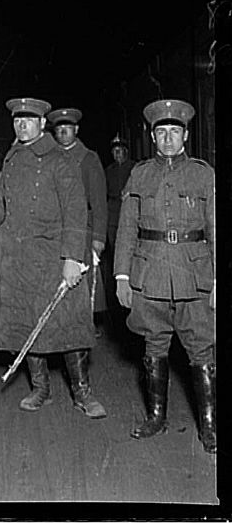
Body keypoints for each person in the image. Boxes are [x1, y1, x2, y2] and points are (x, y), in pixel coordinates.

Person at [0, 98, 106, 419]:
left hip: (52, 256)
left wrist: (72, 258)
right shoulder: (13, 160)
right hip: (18, 258)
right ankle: (40, 388)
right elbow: (1, 201)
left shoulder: (60, 161)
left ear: (43, 123)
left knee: (69, 324)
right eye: (18, 120)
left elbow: (74, 212)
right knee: (26, 322)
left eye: (29, 120)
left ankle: (82, 391)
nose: (22, 125)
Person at [114, 99, 215, 453]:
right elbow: (127, 229)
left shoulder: (203, 174)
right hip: (151, 273)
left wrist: (218, 281)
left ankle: (209, 425)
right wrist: (122, 276)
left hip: (194, 274)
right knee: (154, 344)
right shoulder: (140, 174)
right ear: (152, 136)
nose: (168, 139)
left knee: (201, 348)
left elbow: (215, 228)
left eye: (174, 132)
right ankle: (156, 416)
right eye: (161, 132)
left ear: (186, 134)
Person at [48, 108, 107, 329]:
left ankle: (82, 327)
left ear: (77, 130)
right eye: (59, 128)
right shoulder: (48, 158)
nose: (63, 132)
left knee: (82, 283)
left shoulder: (88, 159)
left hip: (83, 230)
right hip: (55, 230)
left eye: (68, 128)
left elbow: (99, 201)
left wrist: (99, 237)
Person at [104, 135, 135, 317]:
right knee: (115, 247)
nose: (117, 154)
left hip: (128, 208)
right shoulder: (108, 171)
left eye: (120, 150)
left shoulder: (134, 168)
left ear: (126, 151)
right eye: (114, 151)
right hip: (113, 210)